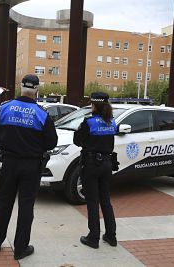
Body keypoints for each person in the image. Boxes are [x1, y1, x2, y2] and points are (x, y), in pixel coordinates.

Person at [0, 74, 58, 260]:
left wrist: (9, 140)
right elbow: (52, 142)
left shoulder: (5, 108)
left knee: (3, 202)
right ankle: (20, 249)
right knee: (26, 206)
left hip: (9, 163)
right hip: (31, 166)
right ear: (37, 89)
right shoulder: (42, 114)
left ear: (21, 87)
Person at [73, 92, 117, 249]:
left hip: (91, 164)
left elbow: (76, 140)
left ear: (94, 105)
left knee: (92, 201)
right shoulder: (111, 122)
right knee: (106, 201)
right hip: (107, 163)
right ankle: (111, 236)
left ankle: (93, 237)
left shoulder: (89, 122)